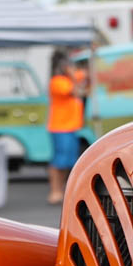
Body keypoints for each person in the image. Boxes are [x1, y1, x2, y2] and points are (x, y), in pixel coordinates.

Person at [46, 51, 84, 203]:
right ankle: (54, 191)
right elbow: (75, 90)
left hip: (70, 127)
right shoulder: (57, 81)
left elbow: (85, 77)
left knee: (69, 161)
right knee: (59, 161)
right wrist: (74, 76)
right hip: (60, 127)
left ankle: (61, 190)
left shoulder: (68, 79)